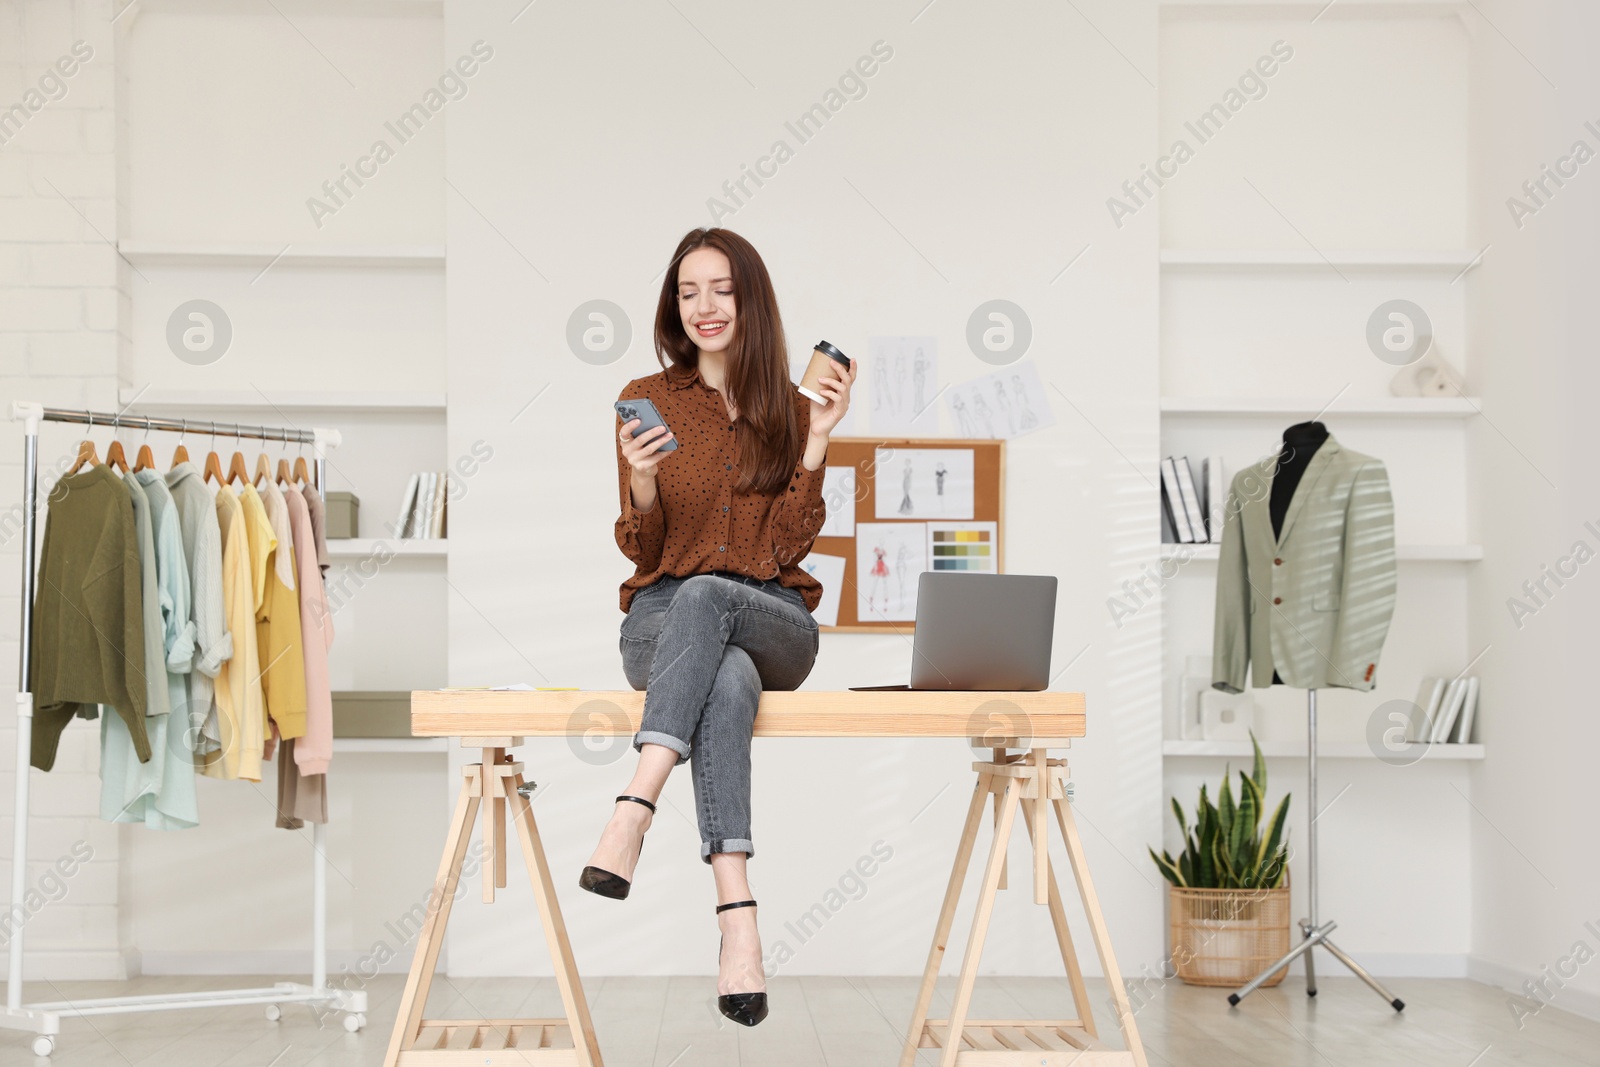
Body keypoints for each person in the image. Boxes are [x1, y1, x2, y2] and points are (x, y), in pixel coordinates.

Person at [584, 226, 857, 1028]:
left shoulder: (787, 405)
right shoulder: (649, 396)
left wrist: (815, 445)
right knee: (724, 673)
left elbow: (787, 549)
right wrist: (639, 481)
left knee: (715, 599)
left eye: (721, 289)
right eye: (687, 290)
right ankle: (740, 922)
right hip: (662, 621)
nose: (703, 306)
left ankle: (634, 805)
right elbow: (643, 547)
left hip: (773, 617)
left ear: (750, 299)